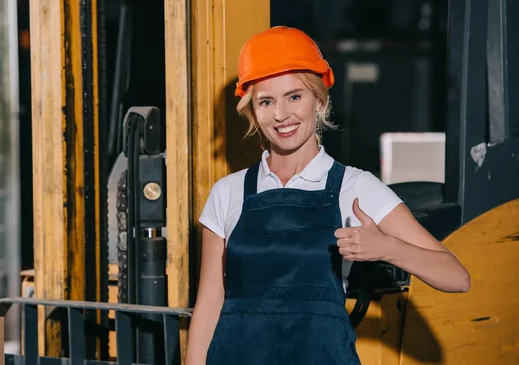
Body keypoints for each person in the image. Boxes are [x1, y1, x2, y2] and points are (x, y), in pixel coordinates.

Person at [185, 26, 470, 365]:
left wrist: (387, 247)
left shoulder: (356, 187)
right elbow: (209, 305)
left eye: (295, 96)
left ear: (319, 101)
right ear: (253, 111)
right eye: (266, 101)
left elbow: (457, 277)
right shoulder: (227, 193)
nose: (281, 115)